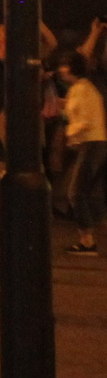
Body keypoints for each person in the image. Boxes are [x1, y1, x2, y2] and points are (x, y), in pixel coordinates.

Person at [61, 53, 106, 256]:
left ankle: (87, 242)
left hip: (91, 144)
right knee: (84, 191)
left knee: (76, 192)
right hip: (94, 144)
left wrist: (69, 132)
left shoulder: (82, 90)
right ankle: (88, 237)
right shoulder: (84, 88)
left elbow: (85, 120)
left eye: (64, 65)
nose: (61, 69)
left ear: (71, 68)